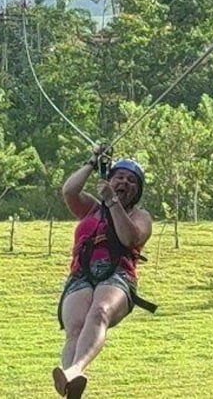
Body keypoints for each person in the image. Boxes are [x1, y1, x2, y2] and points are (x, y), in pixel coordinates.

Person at [52, 147, 153, 399]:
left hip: (117, 274)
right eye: (119, 177)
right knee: (75, 327)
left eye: (131, 181)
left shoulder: (140, 216)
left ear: (137, 191)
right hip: (81, 275)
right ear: (109, 179)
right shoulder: (91, 208)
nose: (124, 182)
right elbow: (69, 191)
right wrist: (92, 162)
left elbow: (130, 238)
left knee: (99, 312)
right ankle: (70, 387)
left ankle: (75, 370)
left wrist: (113, 201)